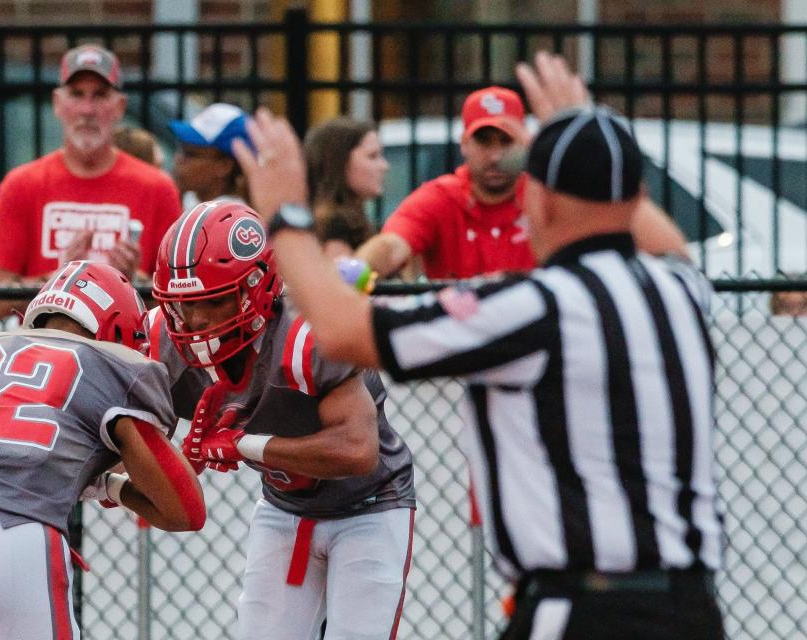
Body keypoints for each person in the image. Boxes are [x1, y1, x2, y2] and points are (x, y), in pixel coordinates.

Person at [232, 52, 725, 639]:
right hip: (693, 607)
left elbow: (338, 330)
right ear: (634, 195)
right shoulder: (682, 287)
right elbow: (663, 242)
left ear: (536, 200)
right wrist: (585, 132)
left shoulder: (534, 306)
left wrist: (285, 213)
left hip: (584, 608)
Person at [0, 260, 206, 640]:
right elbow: (186, 509)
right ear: (120, 331)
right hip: (14, 539)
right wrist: (110, 486)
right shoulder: (108, 365)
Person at [148, 200, 416, 640]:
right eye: (181, 304)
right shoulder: (164, 340)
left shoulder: (307, 331)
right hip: (284, 509)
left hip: (370, 505)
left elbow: (357, 451)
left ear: (257, 286)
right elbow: (122, 425)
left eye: (212, 301)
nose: (193, 321)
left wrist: (242, 444)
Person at [355, 86, 688, 279]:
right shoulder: (440, 197)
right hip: (460, 355)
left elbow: (615, 219)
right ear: (464, 144)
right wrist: (347, 279)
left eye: (507, 141)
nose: (496, 155)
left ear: (526, 142)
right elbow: (391, 247)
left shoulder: (547, 195)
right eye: (484, 141)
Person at [0, 44, 183, 320]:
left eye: (100, 95)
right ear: (57, 103)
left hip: (128, 357)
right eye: (77, 94)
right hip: (47, 351)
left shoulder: (157, 188)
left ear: (120, 107)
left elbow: (183, 302)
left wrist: (136, 283)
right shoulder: (22, 184)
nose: (87, 109)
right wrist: (59, 278)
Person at [304, 116, 389, 258]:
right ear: (339, 163)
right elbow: (340, 277)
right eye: (372, 156)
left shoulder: (342, 218)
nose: (385, 166)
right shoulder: (336, 225)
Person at [168, 103, 252, 208]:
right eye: (180, 149)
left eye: (190, 154)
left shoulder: (233, 218)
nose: (178, 159)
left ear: (224, 166)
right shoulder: (185, 199)